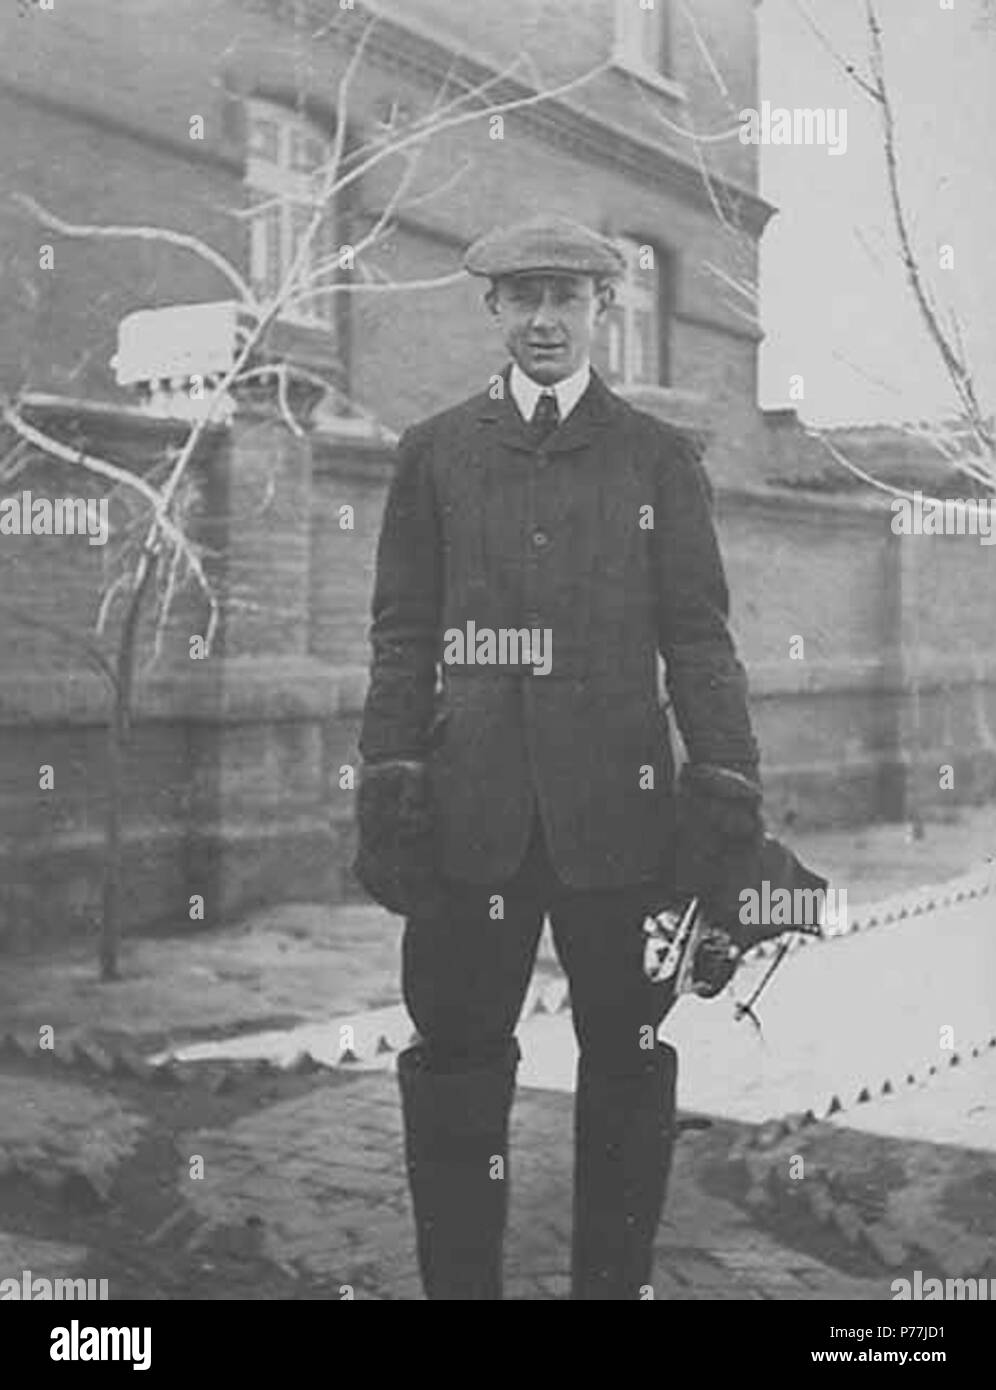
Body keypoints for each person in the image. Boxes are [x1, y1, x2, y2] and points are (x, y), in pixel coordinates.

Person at [354, 214, 764, 1300]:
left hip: (622, 828)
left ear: (601, 310)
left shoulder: (657, 458)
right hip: (467, 818)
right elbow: (401, 633)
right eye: (524, 296)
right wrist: (389, 782)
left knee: (626, 1064)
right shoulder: (436, 452)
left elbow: (700, 639)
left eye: (567, 297)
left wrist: (726, 794)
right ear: (494, 309)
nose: (545, 318)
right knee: (454, 1066)